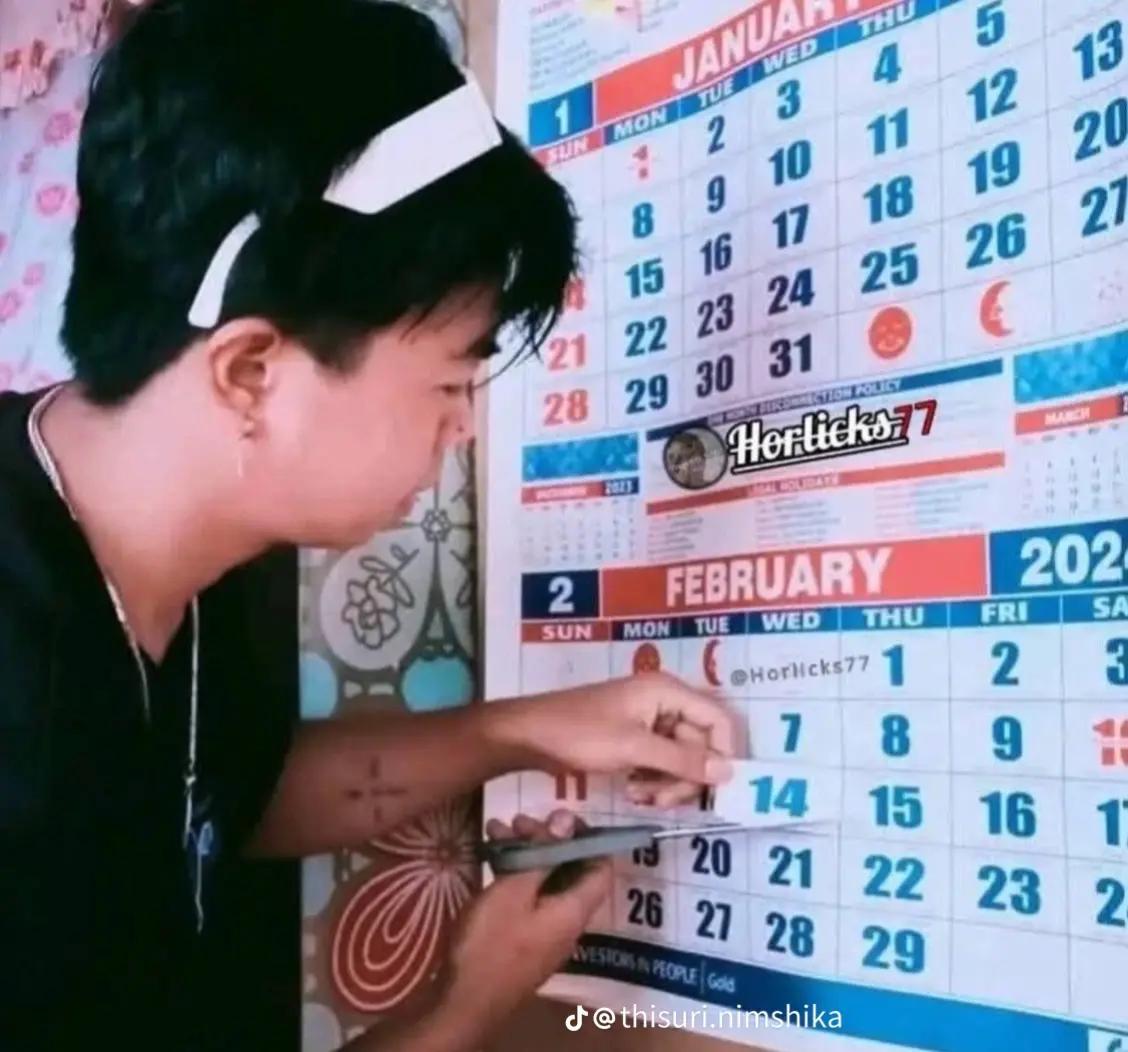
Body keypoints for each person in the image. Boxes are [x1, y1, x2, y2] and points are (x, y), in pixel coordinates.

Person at [0, 2, 737, 1049]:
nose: (465, 429)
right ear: (251, 373)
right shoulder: (24, 761)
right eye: (450, 382)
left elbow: (223, 789)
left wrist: (528, 728)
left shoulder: (181, 517)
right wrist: (463, 1006)